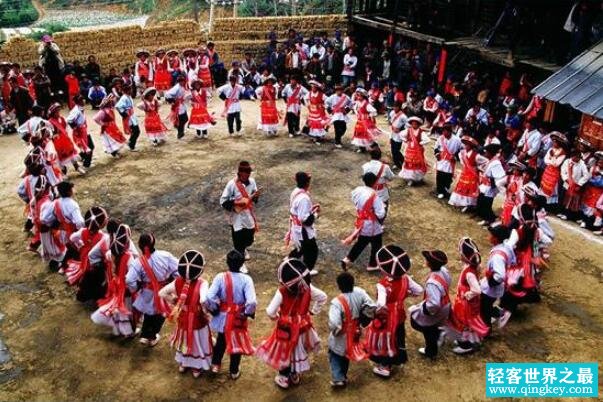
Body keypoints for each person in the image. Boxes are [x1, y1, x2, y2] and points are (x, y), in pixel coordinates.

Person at [256, 258, 327, 389]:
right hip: (302, 326)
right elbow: (322, 297)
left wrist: (276, 317)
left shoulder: (282, 291)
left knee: (285, 351)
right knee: (299, 348)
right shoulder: (307, 287)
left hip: (286, 328)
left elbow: (270, 311)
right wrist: (312, 312)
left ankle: (283, 377)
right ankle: (294, 374)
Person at [365, 245, 423, 377]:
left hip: (387, 317)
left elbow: (381, 304)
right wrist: (406, 294)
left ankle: (385, 366)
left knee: (386, 339)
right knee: (399, 334)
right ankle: (399, 357)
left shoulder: (382, 285)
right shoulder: (406, 279)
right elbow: (419, 290)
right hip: (400, 313)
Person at [159, 250, 213, 378]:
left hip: (183, 317)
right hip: (197, 319)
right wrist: (207, 312)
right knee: (197, 340)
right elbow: (203, 300)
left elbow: (161, 293)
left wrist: (176, 301)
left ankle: (184, 363)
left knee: (184, 338)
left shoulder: (177, 282)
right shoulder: (202, 283)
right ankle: (196, 367)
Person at [205, 250, 257, 380]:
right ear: (242, 263)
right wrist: (247, 313)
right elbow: (251, 301)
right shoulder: (246, 279)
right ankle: (234, 371)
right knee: (236, 343)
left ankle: (215, 365)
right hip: (237, 318)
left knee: (221, 340)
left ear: (227, 262)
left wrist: (214, 308)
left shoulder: (220, 277)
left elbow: (209, 296)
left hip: (222, 317)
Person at [126, 233, 179, 347]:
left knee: (149, 312)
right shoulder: (166, 255)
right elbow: (179, 268)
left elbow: (129, 279)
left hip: (148, 292)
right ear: (154, 242)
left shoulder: (138, 262)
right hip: (164, 290)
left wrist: (136, 287)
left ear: (139, 246)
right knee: (160, 314)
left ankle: (146, 336)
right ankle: (150, 336)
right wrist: (173, 280)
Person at [328, 272, 374, 388]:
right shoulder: (359, 292)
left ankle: (338, 378)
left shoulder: (337, 302)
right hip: (355, 331)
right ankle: (343, 375)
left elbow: (334, 323)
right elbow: (371, 305)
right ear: (353, 283)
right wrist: (364, 318)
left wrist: (335, 332)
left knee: (335, 354)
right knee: (346, 353)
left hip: (342, 334)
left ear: (339, 286)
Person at [91, 223, 137, 337]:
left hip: (114, 284)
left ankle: (119, 328)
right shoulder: (129, 257)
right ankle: (128, 332)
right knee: (125, 308)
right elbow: (132, 275)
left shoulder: (108, 254)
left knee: (117, 305)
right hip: (124, 287)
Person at [446, 237, 489, 355]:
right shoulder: (471, 267)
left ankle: (466, 345)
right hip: (465, 301)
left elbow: (477, 290)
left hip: (466, 303)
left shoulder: (469, 273)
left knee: (464, 322)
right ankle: (469, 341)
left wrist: (468, 294)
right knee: (464, 322)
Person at [409, 249, 451, 359]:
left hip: (438, 308)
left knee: (422, 325)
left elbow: (434, 304)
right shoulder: (444, 271)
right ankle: (438, 332)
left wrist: (423, 309)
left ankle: (431, 351)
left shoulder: (432, 283)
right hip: (445, 304)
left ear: (429, 263)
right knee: (432, 325)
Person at [341, 172, 386, 272]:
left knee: (362, 242)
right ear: (375, 182)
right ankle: (372, 264)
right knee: (376, 244)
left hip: (361, 220)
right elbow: (381, 214)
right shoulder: (374, 196)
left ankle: (348, 259)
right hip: (372, 225)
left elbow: (353, 198)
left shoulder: (358, 190)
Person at [220, 161, 262, 263]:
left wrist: (255, 197)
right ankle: (240, 260)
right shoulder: (232, 184)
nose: (248, 175)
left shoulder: (252, 182)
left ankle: (243, 249)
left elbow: (254, 196)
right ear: (240, 173)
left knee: (249, 239)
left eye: (249, 173)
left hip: (248, 215)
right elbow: (223, 201)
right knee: (238, 240)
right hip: (236, 216)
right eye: (246, 173)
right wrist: (237, 202)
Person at [40, 181, 85, 271]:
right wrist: (82, 230)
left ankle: (61, 265)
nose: (74, 190)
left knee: (70, 248)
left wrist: (55, 224)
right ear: (69, 192)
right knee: (79, 251)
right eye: (72, 188)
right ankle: (71, 268)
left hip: (62, 233)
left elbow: (44, 218)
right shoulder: (72, 205)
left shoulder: (55, 203)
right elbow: (79, 222)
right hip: (73, 233)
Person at [480, 223, 515, 334]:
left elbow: (500, 275)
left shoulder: (497, 256)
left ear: (496, 238)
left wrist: (491, 280)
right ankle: (501, 313)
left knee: (484, 309)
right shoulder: (506, 247)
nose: (489, 237)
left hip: (492, 289)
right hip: (497, 287)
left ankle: (486, 331)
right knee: (486, 306)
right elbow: (512, 260)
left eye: (491, 235)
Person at [285, 172, 321, 276]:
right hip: (302, 230)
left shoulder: (296, 191)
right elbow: (305, 220)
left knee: (301, 248)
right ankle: (305, 271)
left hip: (296, 226)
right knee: (312, 250)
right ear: (307, 183)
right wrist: (316, 214)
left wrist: (311, 210)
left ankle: (288, 261)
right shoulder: (304, 198)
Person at [64, 206, 108, 287]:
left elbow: (72, 238)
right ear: (102, 224)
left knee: (84, 265)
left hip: (84, 254)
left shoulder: (83, 231)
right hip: (95, 258)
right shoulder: (103, 236)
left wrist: (80, 245)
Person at [47, 103, 85, 175]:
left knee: (71, 154)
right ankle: (63, 172)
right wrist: (54, 135)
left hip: (65, 139)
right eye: (56, 112)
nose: (58, 113)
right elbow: (49, 133)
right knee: (61, 156)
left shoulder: (62, 119)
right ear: (53, 113)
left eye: (59, 111)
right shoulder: (50, 122)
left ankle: (77, 167)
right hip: (57, 142)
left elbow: (66, 128)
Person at [476, 143, 507, 226]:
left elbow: (500, 176)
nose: (485, 153)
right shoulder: (491, 160)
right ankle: (489, 217)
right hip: (485, 185)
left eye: (486, 152)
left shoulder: (496, 163)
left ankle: (489, 219)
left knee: (486, 204)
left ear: (490, 153)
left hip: (490, 186)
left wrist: (493, 183)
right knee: (481, 202)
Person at [449, 136, 482, 210]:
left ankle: (469, 204)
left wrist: (478, 168)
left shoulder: (476, 155)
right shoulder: (462, 153)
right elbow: (462, 162)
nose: (466, 146)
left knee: (470, 188)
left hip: (472, 174)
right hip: (465, 173)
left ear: (471, 146)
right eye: (465, 144)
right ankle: (460, 202)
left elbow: (485, 162)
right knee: (462, 187)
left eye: (468, 145)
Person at [558, 150, 591, 221]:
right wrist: (567, 180)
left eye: (579, 158)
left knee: (571, 201)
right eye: (576, 157)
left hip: (575, 185)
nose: (577, 159)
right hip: (567, 183)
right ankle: (561, 212)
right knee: (563, 198)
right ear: (572, 156)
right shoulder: (567, 162)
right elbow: (563, 171)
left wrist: (579, 184)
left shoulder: (582, 164)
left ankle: (567, 215)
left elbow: (586, 176)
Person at [433, 123, 462, 199]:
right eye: (443, 131)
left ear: (450, 132)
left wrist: (455, 156)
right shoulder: (440, 138)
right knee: (439, 175)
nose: (444, 133)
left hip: (450, 161)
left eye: (446, 132)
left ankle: (446, 187)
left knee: (448, 176)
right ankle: (440, 191)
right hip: (441, 159)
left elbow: (461, 150)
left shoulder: (457, 140)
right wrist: (437, 153)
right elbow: (436, 147)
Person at [362, 147, 395, 212]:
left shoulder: (365, 166)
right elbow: (391, 177)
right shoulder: (385, 167)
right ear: (380, 156)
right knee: (383, 210)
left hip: (369, 192)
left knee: (370, 209)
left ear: (371, 156)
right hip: (381, 193)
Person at [399, 116, 430, 186]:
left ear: (418, 124)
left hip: (418, 151)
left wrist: (420, 143)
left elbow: (427, 140)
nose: (414, 125)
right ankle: (410, 179)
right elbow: (401, 134)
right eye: (413, 124)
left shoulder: (421, 132)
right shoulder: (408, 130)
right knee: (409, 163)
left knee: (417, 164)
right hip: (409, 150)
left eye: (415, 124)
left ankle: (417, 177)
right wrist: (405, 140)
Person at [540, 132, 567, 208]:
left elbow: (557, 164)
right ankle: (542, 202)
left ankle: (549, 206)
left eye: (555, 142)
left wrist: (552, 158)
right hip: (548, 171)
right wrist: (551, 161)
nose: (554, 143)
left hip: (555, 173)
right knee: (544, 187)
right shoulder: (551, 149)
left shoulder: (562, 153)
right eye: (553, 142)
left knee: (552, 189)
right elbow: (545, 160)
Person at [351, 88, 383, 152]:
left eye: (359, 95)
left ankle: (376, 148)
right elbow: (355, 108)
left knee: (368, 135)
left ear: (363, 96)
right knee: (359, 134)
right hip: (359, 122)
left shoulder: (367, 104)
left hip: (366, 122)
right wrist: (357, 114)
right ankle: (362, 148)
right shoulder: (357, 103)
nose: (358, 97)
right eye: (357, 95)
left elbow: (374, 111)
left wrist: (368, 116)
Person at [67, 95, 94, 168]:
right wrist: (76, 128)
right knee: (89, 147)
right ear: (78, 102)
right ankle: (86, 163)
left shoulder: (80, 109)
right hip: (79, 131)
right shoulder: (76, 111)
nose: (84, 101)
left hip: (84, 129)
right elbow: (69, 120)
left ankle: (84, 158)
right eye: (81, 100)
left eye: (83, 99)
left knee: (90, 146)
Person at [114, 83, 140, 151]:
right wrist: (123, 114)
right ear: (127, 90)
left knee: (135, 131)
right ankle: (131, 145)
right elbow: (118, 106)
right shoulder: (124, 98)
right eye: (130, 89)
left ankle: (131, 143)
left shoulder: (129, 96)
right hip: (129, 117)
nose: (131, 91)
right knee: (136, 131)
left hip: (132, 115)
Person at [164, 75, 189, 139]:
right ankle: (180, 132)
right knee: (182, 119)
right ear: (178, 81)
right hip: (178, 105)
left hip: (181, 104)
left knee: (185, 118)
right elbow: (167, 94)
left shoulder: (182, 86)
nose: (182, 82)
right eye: (180, 81)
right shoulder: (177, 87)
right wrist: (172, 100)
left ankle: (180, 129)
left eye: (183, 81)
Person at [388, 101, 407, 171]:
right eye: (394, 106)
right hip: (392, 133)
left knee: (397, 150)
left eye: (396, 107)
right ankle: (396, 163)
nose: (395, 108)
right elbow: (391, 121)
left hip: (399, 135)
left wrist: (401, 129)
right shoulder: (392, 113)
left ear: (399, 107)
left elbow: (407, 125)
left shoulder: (403, 116)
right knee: (393, 150)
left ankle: (404, 161)